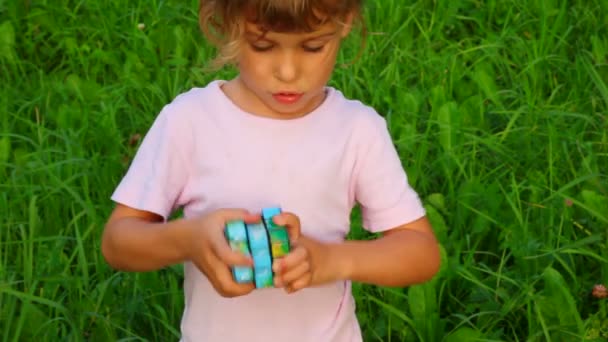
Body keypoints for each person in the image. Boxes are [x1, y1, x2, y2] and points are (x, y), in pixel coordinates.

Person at [101, 1, 441, 341]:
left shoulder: (356, 130)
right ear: (228, 24)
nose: (288, 72)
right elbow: (118, 243)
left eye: (313, 46)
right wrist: (188, 239)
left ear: (346, 22)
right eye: (262, 45)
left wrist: (330, 261)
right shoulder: (190, 121)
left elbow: (420, 253)